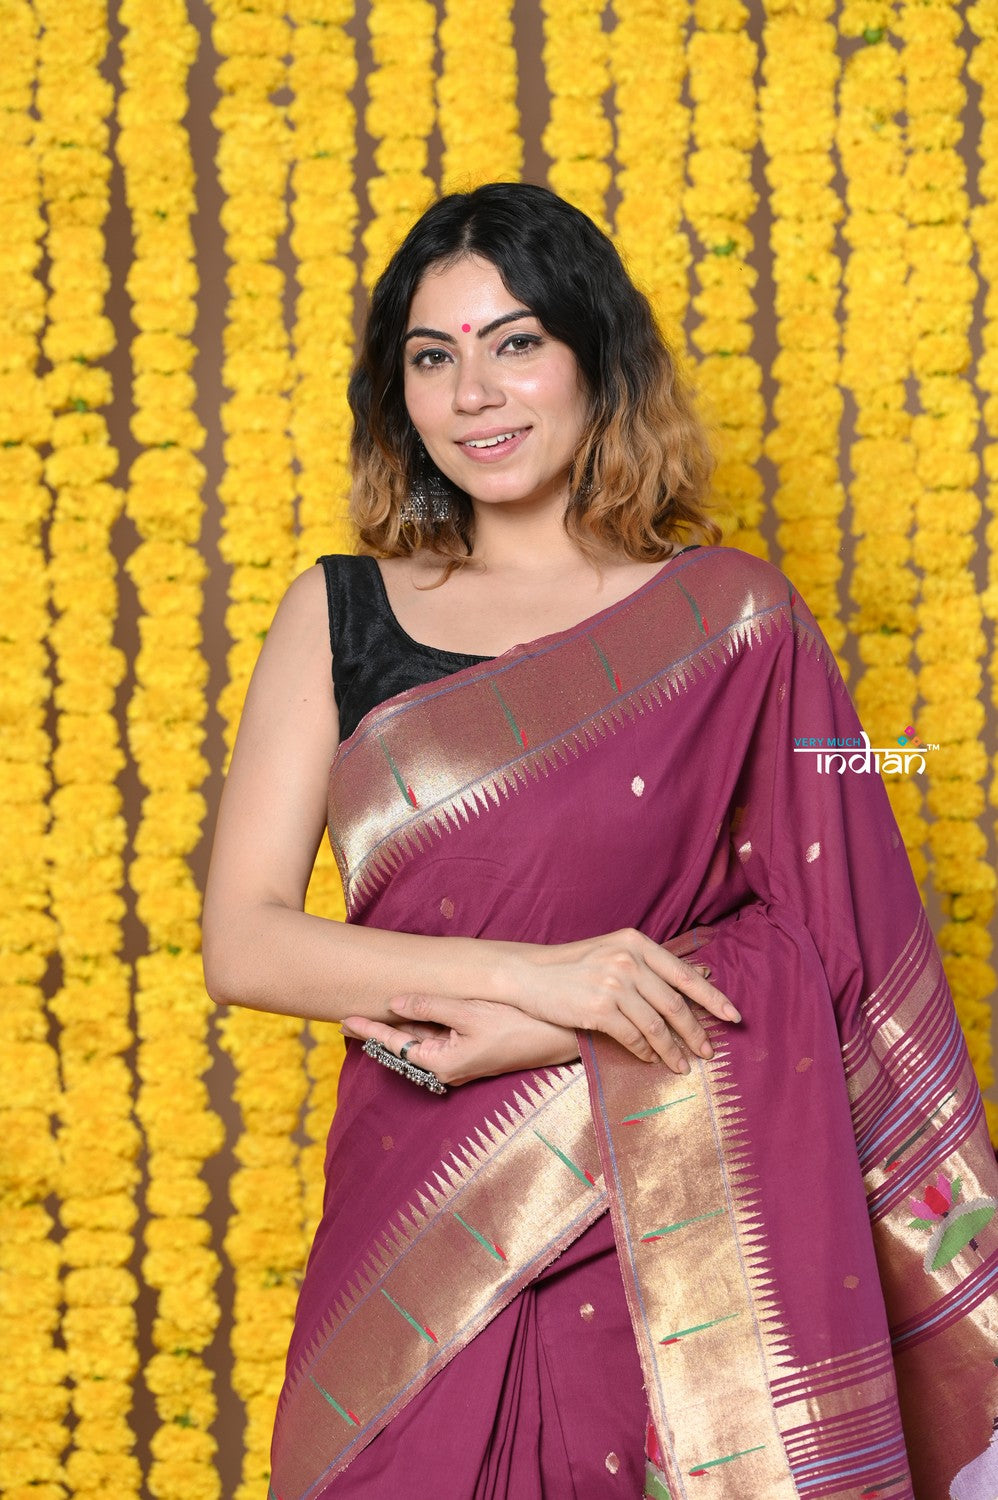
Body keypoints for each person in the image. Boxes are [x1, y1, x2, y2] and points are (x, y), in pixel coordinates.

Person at [202, 183, 998, 1500]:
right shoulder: (338, 614)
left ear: (595, 359)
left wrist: (552, 1031)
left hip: (670, 1253)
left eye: (516, 343)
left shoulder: (734, 621)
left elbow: (837, 874)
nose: (474, 394)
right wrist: (539, 978)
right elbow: (245, 942)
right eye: (431, 357)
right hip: (413, 1236)